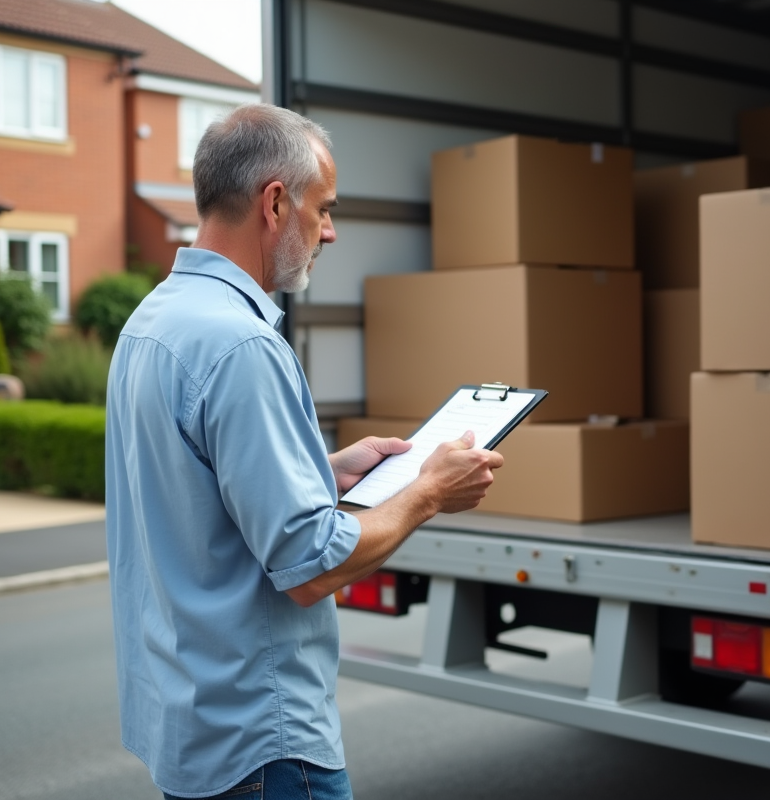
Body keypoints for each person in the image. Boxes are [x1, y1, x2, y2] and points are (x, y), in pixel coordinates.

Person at [105, 103, 503, 800]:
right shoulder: (244, 346)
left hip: (191, 731)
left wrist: (323, 471)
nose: (331, 230)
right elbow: (308, 568)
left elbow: (191, 494)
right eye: (322, 209)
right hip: (263, 748)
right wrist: (429, 491)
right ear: (275, 202)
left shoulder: (152, 322)